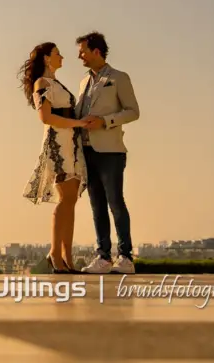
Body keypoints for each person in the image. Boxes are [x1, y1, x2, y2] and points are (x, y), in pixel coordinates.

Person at [74, 31, 140, 274]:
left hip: (111, 152)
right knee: (96, 206)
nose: (79, 56)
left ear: (96, 51)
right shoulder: (83, 82)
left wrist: (105, 121)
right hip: (87, 151)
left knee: (116, 203)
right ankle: (103, 257)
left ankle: (125, 257)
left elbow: (133, 111)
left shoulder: (119, 78)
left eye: (82, 51)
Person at [20, 42, 89, 274]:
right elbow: (46, 117)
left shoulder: (56, 83)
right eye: (58, 54)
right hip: (58, 143)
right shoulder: (42, 83)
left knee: (71, 201)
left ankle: (67, 257)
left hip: (72, 142)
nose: (62, 58)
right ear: (47, 59)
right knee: (65, 199)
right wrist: (78, 123)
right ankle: (54, 253)